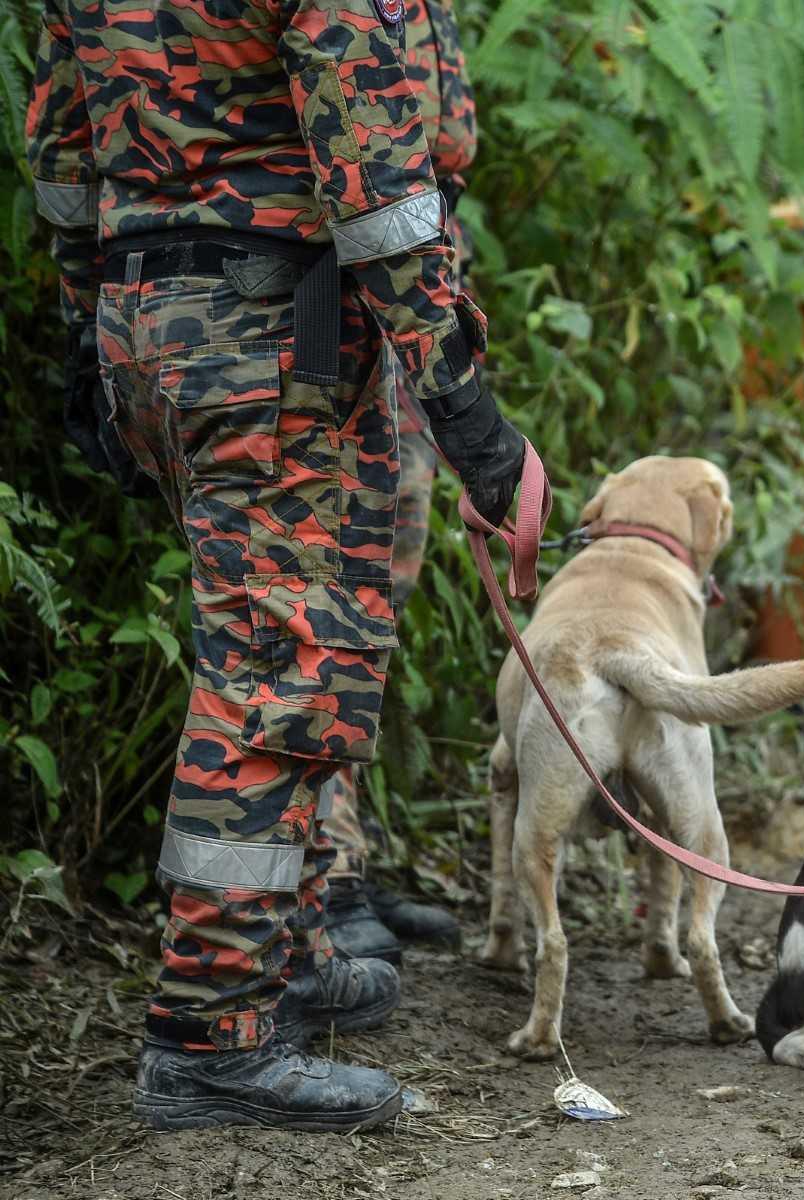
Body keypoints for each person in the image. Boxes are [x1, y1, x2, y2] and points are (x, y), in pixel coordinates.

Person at [28, 0, 525, 1130]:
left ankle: (283, 954)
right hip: (269, 335)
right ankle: (212, 1032)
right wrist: (465, 406)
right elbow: (381, 185)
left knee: (271, 652)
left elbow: (61, 143)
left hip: (148, 312)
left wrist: (81, 331)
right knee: (278, 677)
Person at [317, 0, 478, 964]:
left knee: (378, 596)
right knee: (321, 598)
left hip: (407, 306)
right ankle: (317, 879)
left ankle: (344, 855)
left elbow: (440, 140)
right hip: (327, 302)